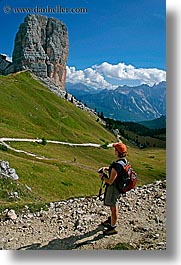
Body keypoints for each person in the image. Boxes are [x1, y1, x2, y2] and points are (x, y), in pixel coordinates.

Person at [98, 141, 128, 236]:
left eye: (115, 149)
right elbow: (117, 171)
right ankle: (111, 220)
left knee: (113, 207)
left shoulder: (116, 165)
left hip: (114, 189)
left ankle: (112, 227)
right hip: (120, 188)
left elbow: (110, 181)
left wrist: (102, 177)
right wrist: (107, 168)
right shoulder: (124, 161)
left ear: (117, 152)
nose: (114, 151)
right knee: (114, 205)